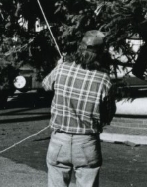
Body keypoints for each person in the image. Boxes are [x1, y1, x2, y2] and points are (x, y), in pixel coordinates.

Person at [42, 30, 117, 187]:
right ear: (101, 53)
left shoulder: (62, 69)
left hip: (59, 141)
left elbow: (46, 85)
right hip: (87, 143)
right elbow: (108, 114)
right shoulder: (104, 79)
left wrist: (58, 66)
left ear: (80, 48)